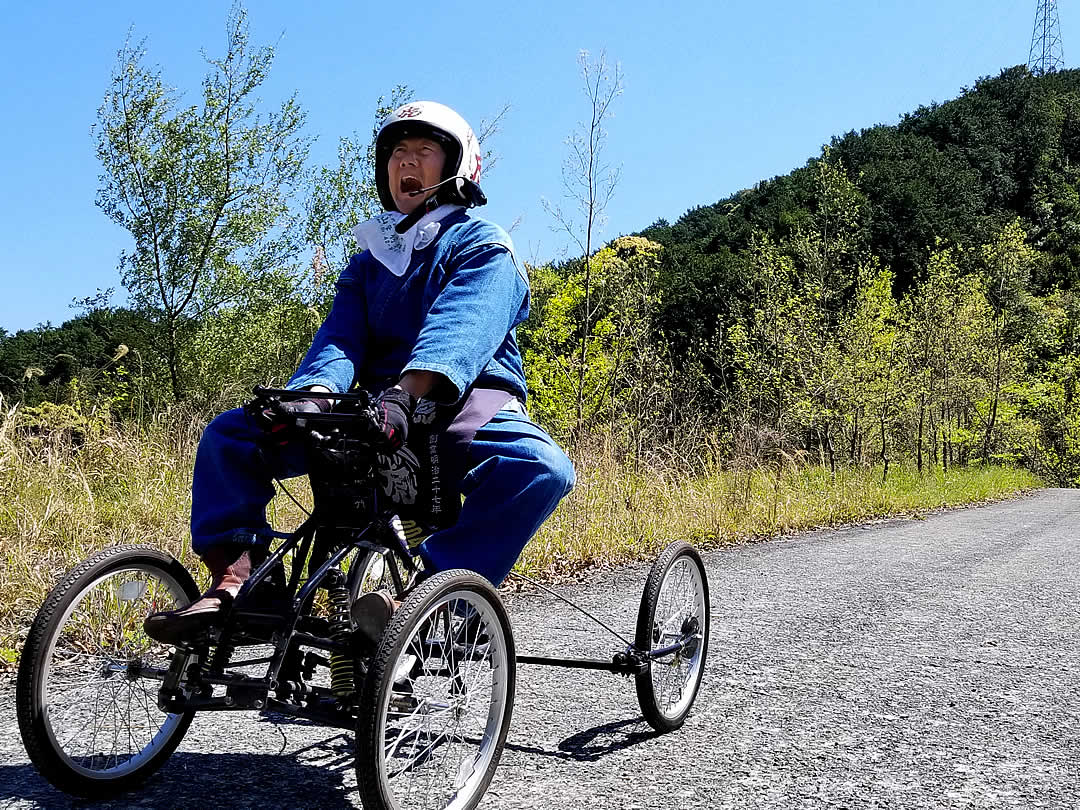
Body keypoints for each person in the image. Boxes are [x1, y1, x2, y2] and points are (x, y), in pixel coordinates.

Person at [145, 101, 575, 644]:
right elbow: (341, 337)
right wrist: (314, 395)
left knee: (540, 468)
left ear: (458, 168)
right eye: (397, 153)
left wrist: (410, 393)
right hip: (373, 409)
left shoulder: (484, 246)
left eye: (423, 152)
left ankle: (436, 597)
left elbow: (462, 327)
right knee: (232, 434)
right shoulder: (373, 257)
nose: (406, 164)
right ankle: (245, 580)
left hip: (462, 399)